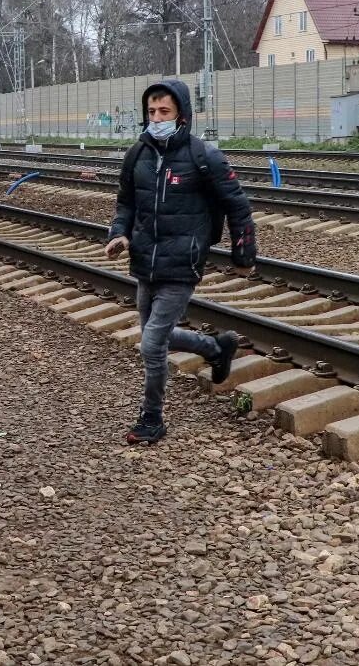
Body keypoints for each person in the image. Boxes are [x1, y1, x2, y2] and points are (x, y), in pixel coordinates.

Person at [105, 79, 257, 445]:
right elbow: (126, 203)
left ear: (182, 116)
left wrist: (243, 255)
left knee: (152, 343)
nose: (156, 119)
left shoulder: (204, 156)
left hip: (182, 263)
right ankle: (216, 348)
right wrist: (118, 234)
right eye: (151, 112)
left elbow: (238, 206)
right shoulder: (137, 155)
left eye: (164, 112)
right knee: (157, 335)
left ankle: (152, 418)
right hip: (144, 261)